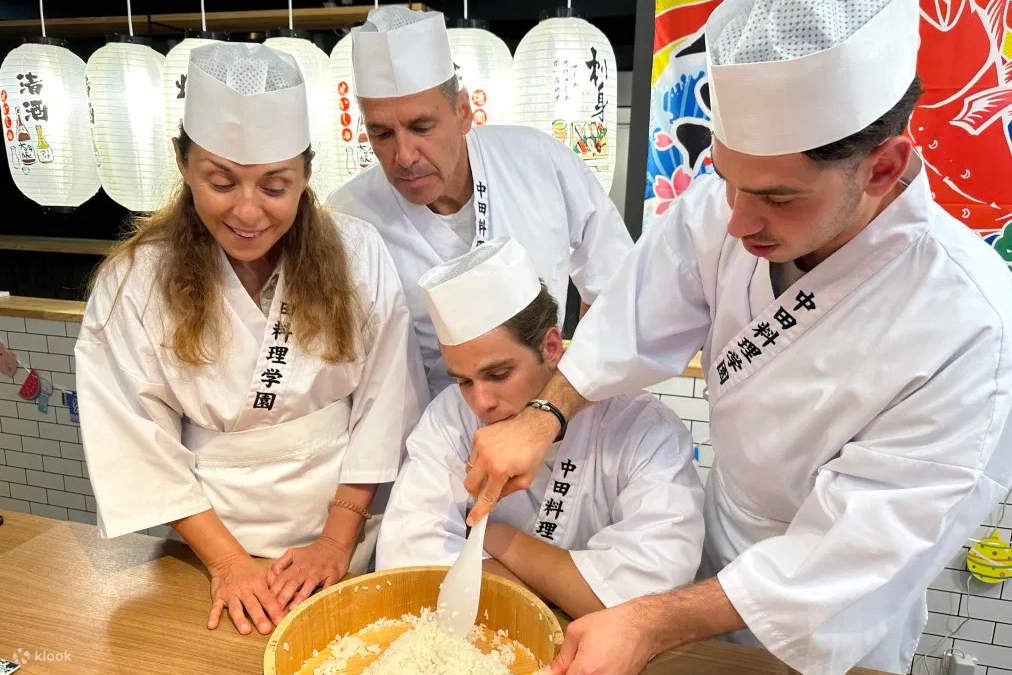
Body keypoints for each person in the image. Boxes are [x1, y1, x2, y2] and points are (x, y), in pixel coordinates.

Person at [462, 1, 1012, 673]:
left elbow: (860, 548)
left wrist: (652, 620)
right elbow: (633, 317)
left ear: (883, 167)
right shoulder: (724, 212)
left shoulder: (971, 325)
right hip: (718, 547)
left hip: (835, 614)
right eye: (727, 179)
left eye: (778, 198)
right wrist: (546, 411)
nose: (738, 221)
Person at [75, 43, 426, 638]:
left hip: (346, 532)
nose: (247, 211)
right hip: (207, 544)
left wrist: (335, 542)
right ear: (183, 164)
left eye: (274, 186)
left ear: (305, 175)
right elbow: (132, 434)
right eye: (221, 181)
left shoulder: (358, 252)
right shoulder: (134, 280)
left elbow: (386, 400)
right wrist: (228, 563)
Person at [376, 238, 704, 619]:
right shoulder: (450, 418)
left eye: (498, 374)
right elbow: (409, 563)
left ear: (550, 347)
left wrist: (502, 540)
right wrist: (567, 590)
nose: (481, 402)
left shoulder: (644, 429)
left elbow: (649, 592)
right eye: (464, 380)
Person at [327, 6, 634, 396]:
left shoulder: (538, 163)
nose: (404, 156)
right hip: (422, 424)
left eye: (421, 127)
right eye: (382, 134)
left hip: (549, 412)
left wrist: (564, 400)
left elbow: (619, 286)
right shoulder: (348, 216)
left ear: (463, 112)